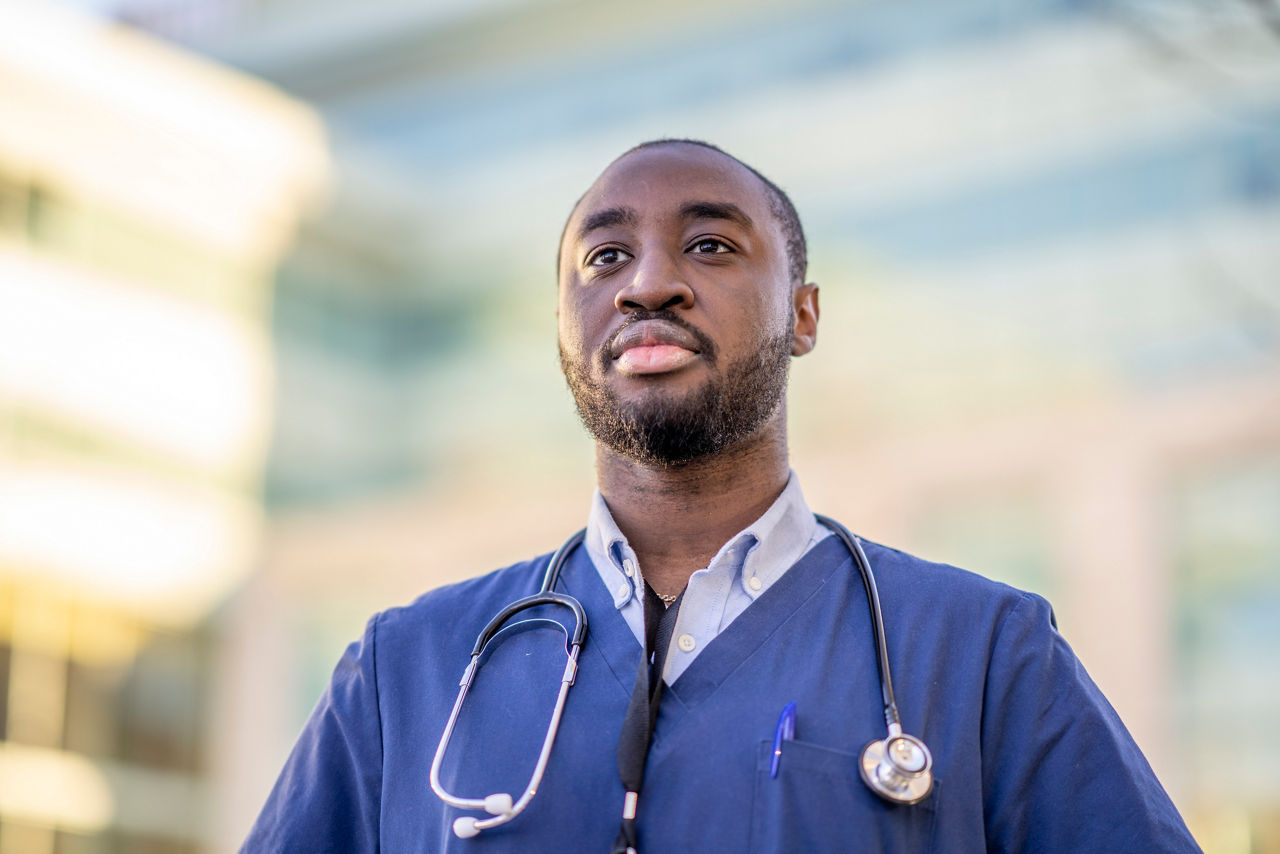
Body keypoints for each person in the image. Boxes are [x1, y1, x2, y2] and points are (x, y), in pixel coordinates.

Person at [242, 139, 1201, 852]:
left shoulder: (985, 654)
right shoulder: (403, 672)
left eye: (708, 245)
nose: (648, 284)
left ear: (804, 315)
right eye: (605, 258)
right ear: (566, 325)